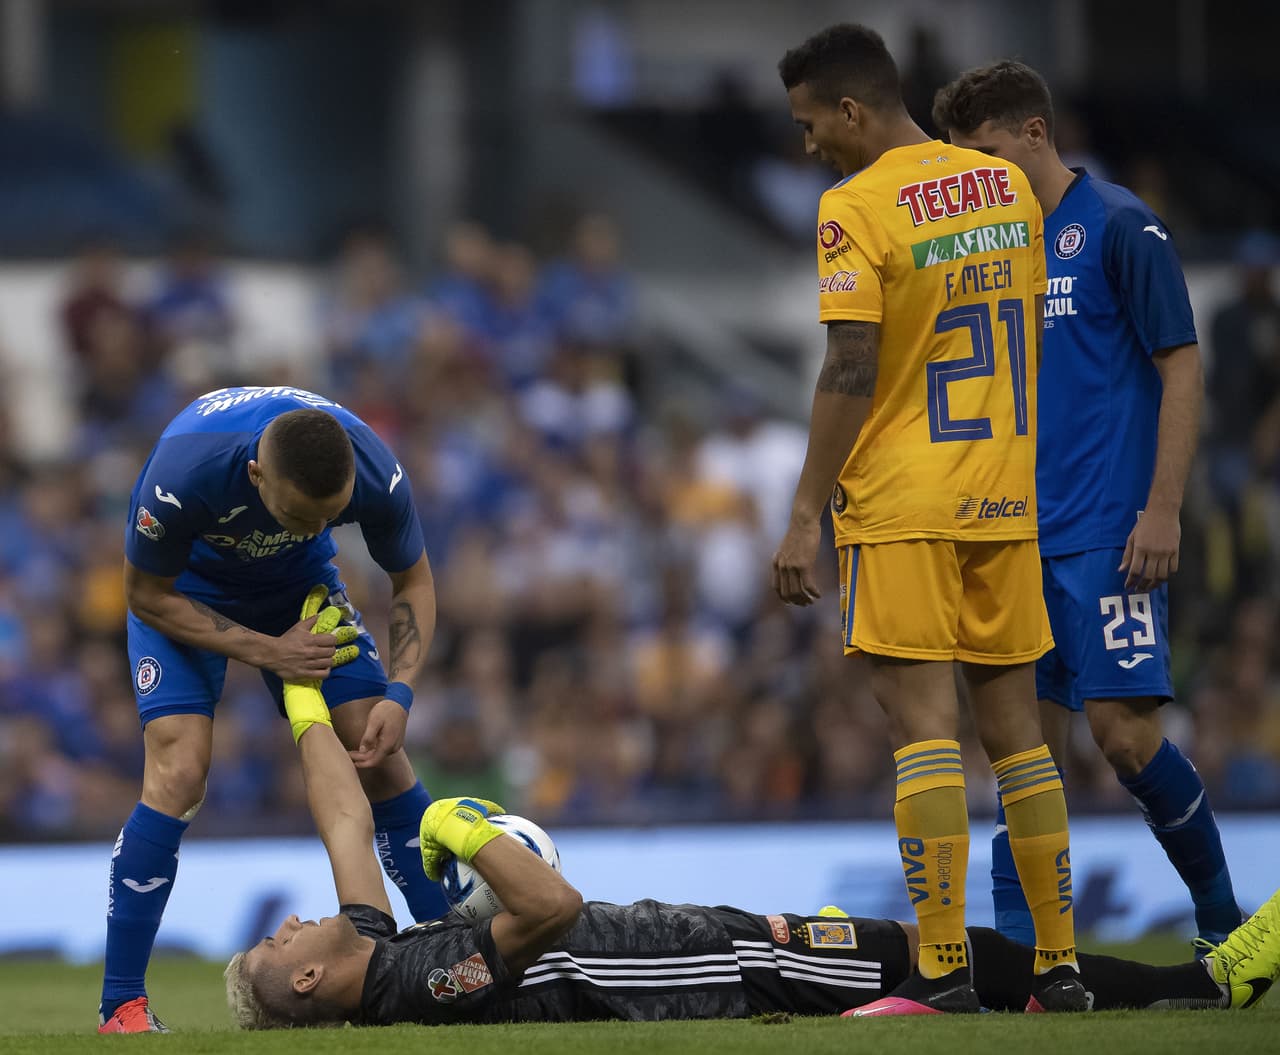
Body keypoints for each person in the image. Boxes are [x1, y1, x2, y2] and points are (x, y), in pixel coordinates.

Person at [223, 707, 1280, 1027]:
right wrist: (458, 818)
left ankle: (1027, 1000)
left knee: (948, 962)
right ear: (308, 979)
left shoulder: (376, 946)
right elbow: (548, 902)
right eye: (278, 943)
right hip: (721, 968)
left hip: (702, 939)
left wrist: (303, 694)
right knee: (947, 957)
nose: (291, 924)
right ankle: (1212, 981)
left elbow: (343, 823)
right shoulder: (412, 984)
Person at [768, 24, 1080, 1015]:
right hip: (1002, 487)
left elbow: (850, 365)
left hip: (904, 498)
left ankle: (941, 967)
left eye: (810, 122)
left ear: (851, 111)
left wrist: (803, 511)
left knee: (921, 734)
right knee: (1017, 737)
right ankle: (1058, 968)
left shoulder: (851, 207)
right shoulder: (1003, 188)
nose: (807, 143)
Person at [932, 61, 1242, 951]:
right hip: (1013, 534)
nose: (978, 177)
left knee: (1125, 739)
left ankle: (1223, 924)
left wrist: (1164, 507)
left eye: (987, 154)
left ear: (1035, 132)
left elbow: (1180, 362)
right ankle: (1033, 970)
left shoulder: (1117, 224)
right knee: (1022, 759)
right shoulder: (991, 247)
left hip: (1109, 526)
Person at [98, 386, 449, 1034]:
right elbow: (146, 594)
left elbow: (415, 580)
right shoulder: (184, 473)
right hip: (186, 593)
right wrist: (270, 651)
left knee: (379, 753)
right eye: (298, 517)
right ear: (256, 476)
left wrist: (400, 692)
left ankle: (457, 955)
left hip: (299, 591)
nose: (315, 530)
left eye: (328, 519)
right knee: (179, 771)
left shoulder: (371, 466)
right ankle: (122, 1006)